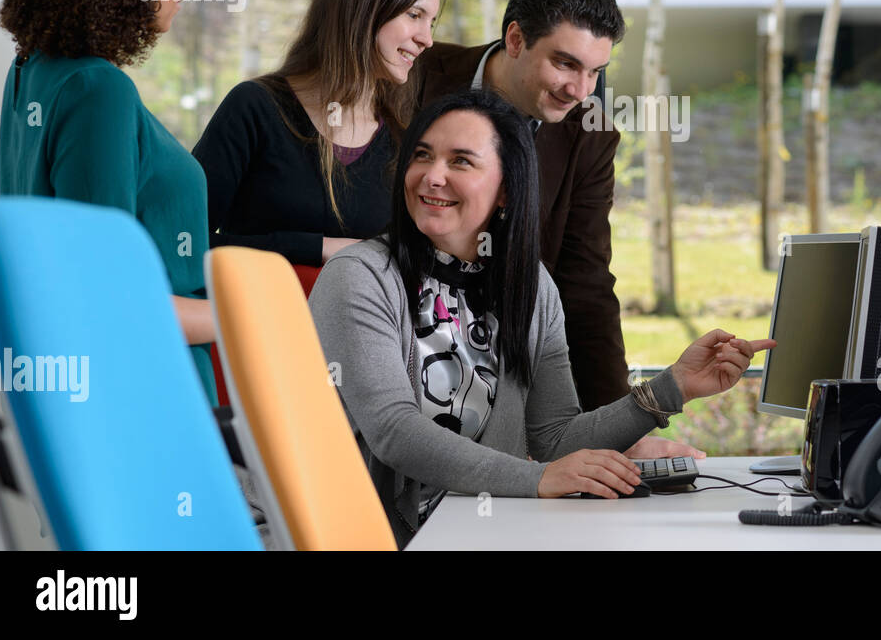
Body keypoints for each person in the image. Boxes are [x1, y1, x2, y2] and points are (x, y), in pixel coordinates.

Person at [309, 89, 772, 544]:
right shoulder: (358, 278)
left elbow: (553, 437)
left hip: (482, 530)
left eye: (461, 161)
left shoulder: (530, 287)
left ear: (506, 188)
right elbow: (395, 431)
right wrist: (537, 478)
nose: (432, 176)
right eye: (423, 156)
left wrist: (674, 387)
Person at [0, 0, 219, 402]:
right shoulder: (99, 92)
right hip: (148, 390)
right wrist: (243, 316)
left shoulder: (33, 67)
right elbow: (110, 300)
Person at [411, 0, 631, 413]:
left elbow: (585, 285)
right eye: (565, 64)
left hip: (507, 377)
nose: (580, 91)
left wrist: (618, 425)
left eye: (595, 72)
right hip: (398, 347)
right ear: (515, 39)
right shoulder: (416, 76)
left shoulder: (590, 136)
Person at [192, 0, 450, 278]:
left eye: (431, 22)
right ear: (362, 9)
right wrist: (321, 248)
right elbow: (186, 242)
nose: (426, 39)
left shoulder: (405, 138)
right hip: (256, 326)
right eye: (414, 15)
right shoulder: (254, 107)